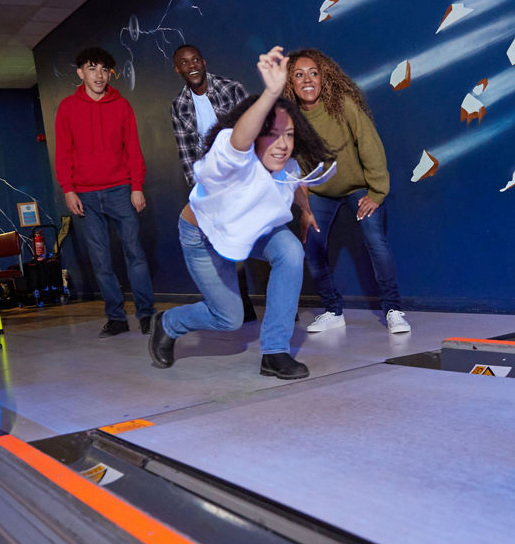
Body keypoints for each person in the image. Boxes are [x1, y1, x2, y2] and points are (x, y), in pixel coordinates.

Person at [149, 46, 334, 379]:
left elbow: (294, 181)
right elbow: (239, 139)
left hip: (250, 231)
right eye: (272, 134)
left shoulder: (285, 164)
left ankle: (275, 352)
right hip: (204, 236)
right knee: (229, 318)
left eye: (289, 135)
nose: (283, 144)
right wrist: (271, 93)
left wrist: (306, 211)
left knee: (291, 250)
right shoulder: (231, 160)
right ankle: (169, 323)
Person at [283, 48, 410, 334]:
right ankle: (332, 311)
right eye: (299, 75)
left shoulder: (343, 105)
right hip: (319, 192)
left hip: (358, 187)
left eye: (313, 73)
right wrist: (304, 208)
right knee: (311, 247)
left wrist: (376, 193)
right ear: (290, 82)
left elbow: (370, 144)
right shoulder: (289, 118)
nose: (307, 80)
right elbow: (294, 167)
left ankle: (393, 309)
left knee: (376, 243)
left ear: (324, 77)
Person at [54, 46, 155, 337]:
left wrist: (137, 186)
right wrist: (68, 189)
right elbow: (63, 153)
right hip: (85, 195)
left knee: (135, 253)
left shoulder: (122, 106)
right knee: (101, 260)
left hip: (121, 190)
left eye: (103, 70)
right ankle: (116, 318)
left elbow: (133, 149)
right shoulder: (67, 108)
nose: (99, 75)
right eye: (92, 69)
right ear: (80, 73)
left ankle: (147, 314)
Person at [170, 43, 260, 322]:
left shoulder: (231, 89)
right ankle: (243, 304)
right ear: (178, 70)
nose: (192, 66)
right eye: (185, 62)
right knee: (227, 244)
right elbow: (186, 153)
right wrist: (199, 193)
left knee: (263, 235)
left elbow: (255, 130)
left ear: (204, 62)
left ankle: (281, 301)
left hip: (243, 174)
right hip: (213, 184)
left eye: (196, 59)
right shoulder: (179, 105)